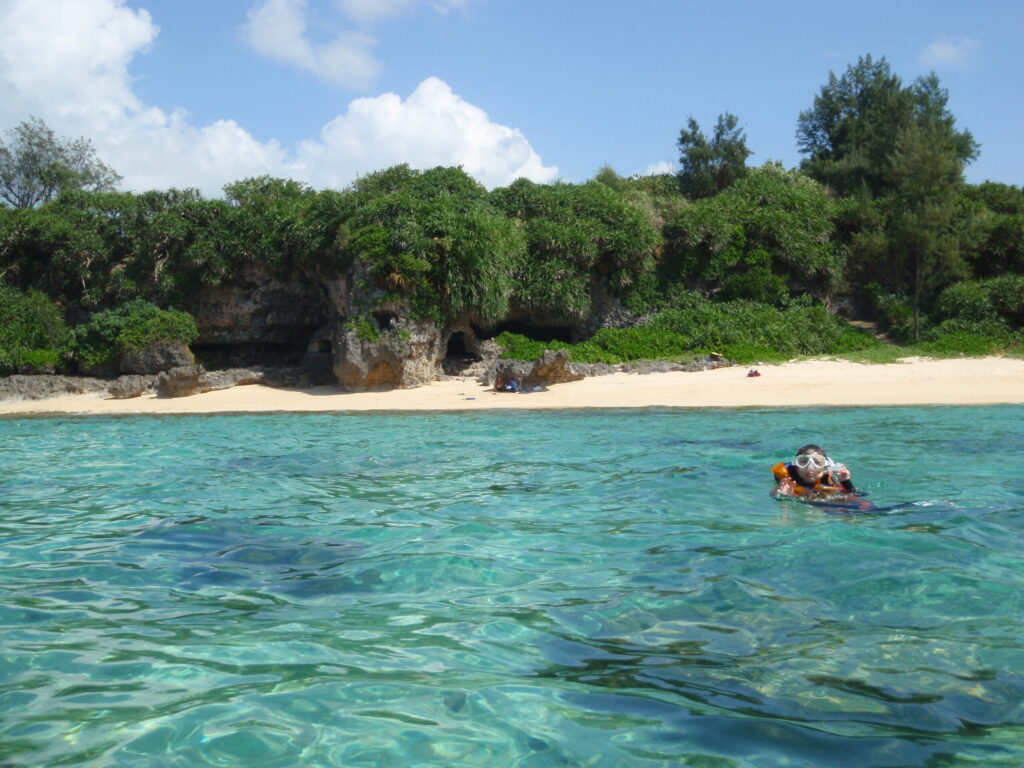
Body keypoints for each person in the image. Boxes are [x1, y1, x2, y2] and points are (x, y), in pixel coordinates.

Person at [771, 444, 856, 499]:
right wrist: (784, 498)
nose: (810, 467)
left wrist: (845, 481)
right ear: (796, 465)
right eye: (803, 461)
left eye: (817, 462)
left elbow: (854, 497)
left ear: (826, 466)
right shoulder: (786, 481)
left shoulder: (827, 481)